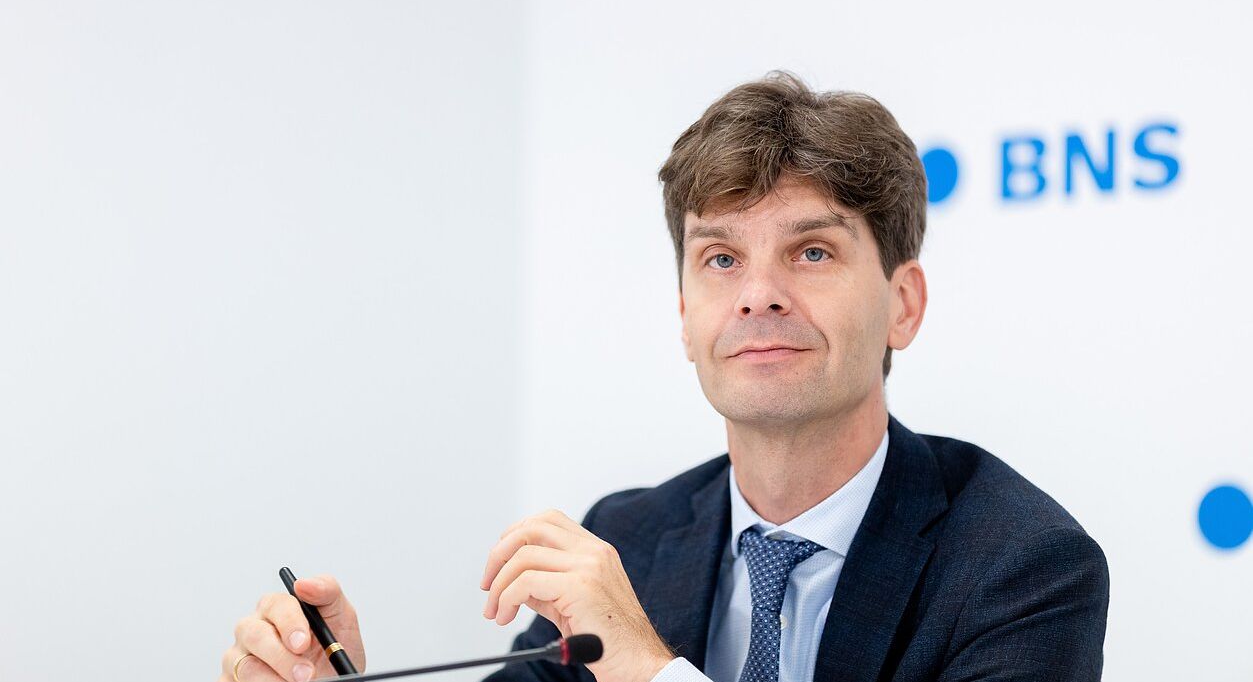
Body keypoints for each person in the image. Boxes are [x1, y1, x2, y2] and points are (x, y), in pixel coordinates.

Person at [219, 72, 1110, 682]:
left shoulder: (1021, 567)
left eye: (810, 250)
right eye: (720, 258)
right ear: (685, 316)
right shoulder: (629, 538)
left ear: (902, 304)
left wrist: (645, 668)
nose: (757, 294)